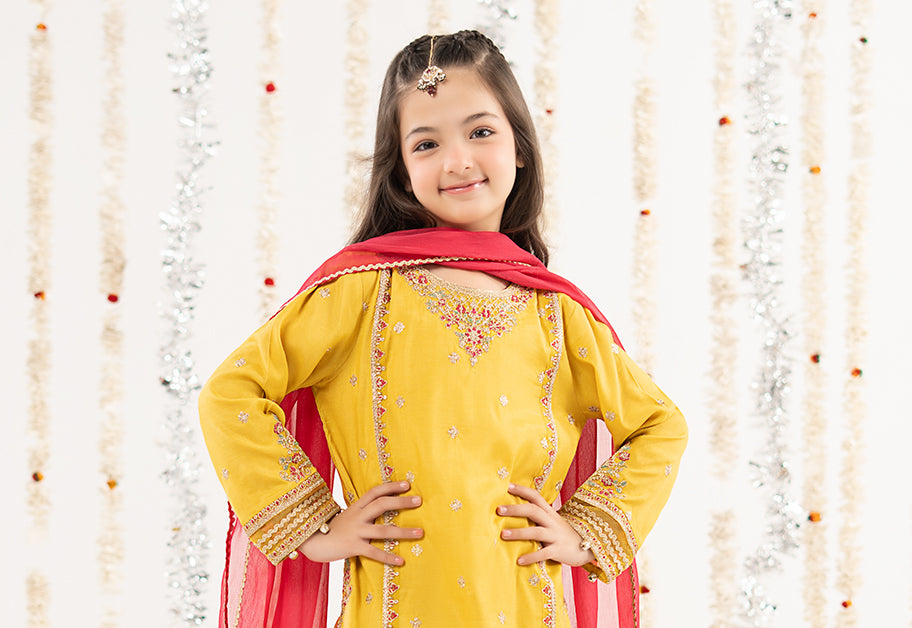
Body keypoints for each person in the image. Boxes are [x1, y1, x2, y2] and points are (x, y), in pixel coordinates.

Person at [199, 30, 687, 628]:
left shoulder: (560, 316)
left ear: (520, 146)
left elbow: (660, 426)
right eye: (427, 143)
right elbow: (231, 393)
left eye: (480, 132)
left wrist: (585, 531)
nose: (457, 161)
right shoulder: (359, 292)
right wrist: (315, 526)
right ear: (403, 171)